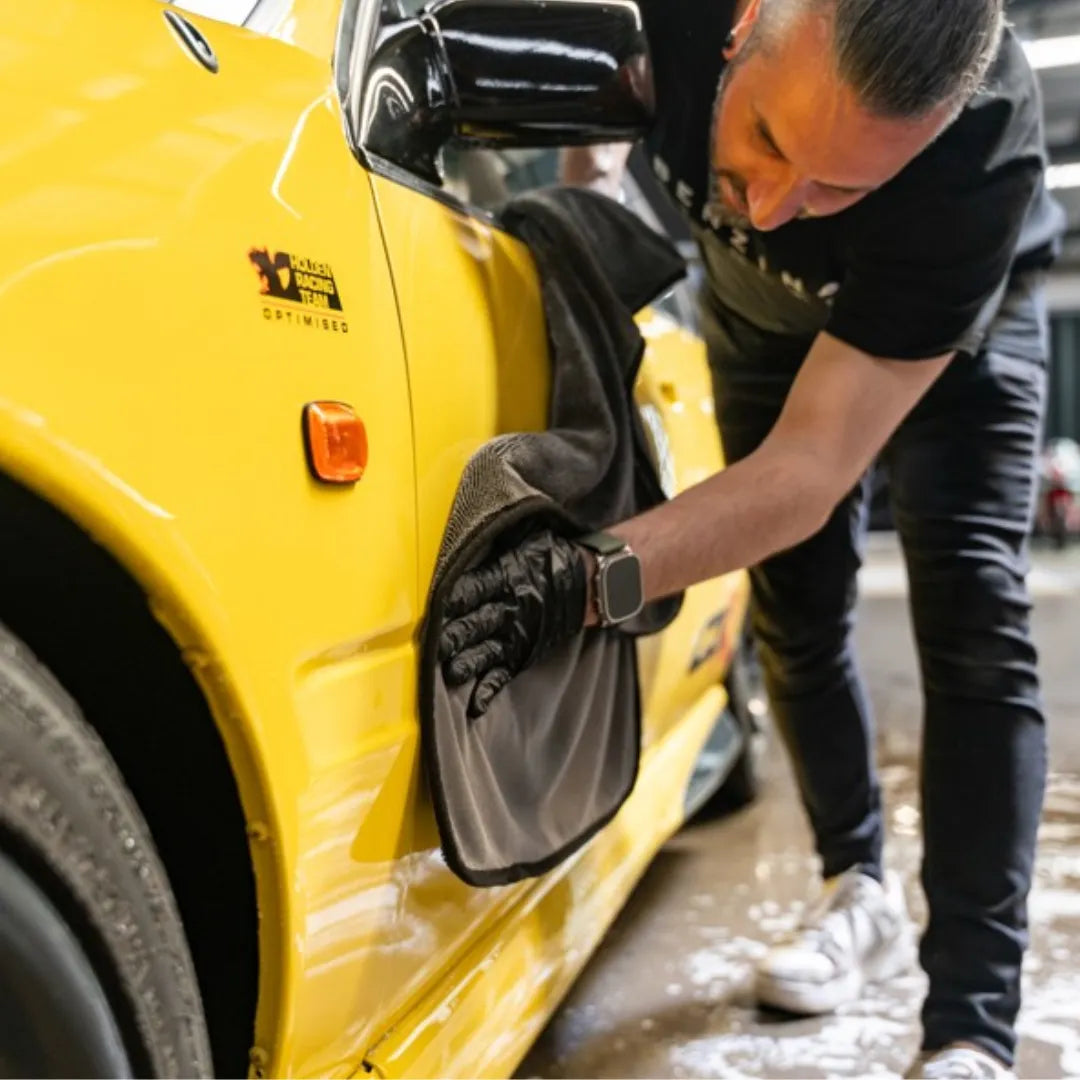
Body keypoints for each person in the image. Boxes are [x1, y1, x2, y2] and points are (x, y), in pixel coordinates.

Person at [437, 0, 1066, 1076]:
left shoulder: (977, 162)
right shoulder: (667, 13)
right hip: (757, 322)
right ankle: (854, 889)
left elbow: (811, 472)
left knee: (970, 612)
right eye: (768, 140)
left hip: (951, 341)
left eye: (843, 188)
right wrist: (590, 188)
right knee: (795, 613)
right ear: (737, 30)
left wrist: (587, 582)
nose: (777, 207)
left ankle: (972, 1024)